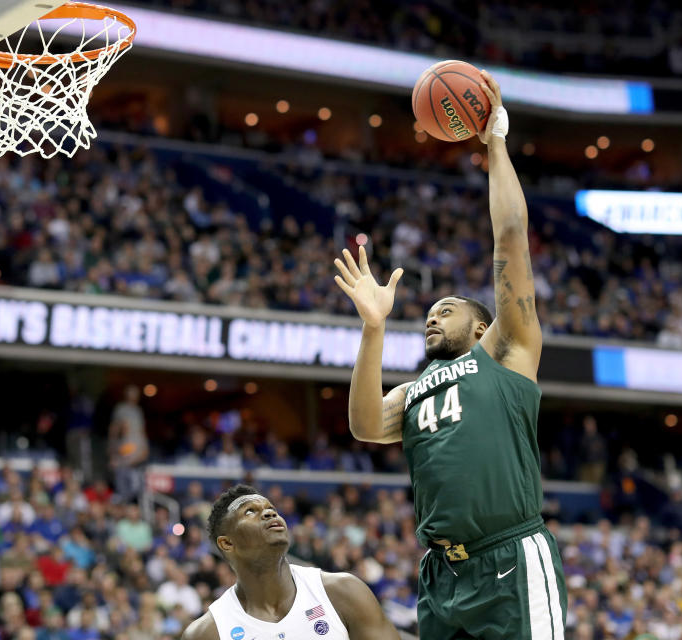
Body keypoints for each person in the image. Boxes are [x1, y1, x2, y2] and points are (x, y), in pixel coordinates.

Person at [333, 72, 567, 639]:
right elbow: (365, 425)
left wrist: (495, 144)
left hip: (511, 557)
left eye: (448, 307)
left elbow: (510, 234)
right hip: (442, 573)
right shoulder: (414, 392)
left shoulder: (506, 352)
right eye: (430, 312)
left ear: (483, 323)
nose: (433, 315)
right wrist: (373, 327)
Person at [181, 484, 400, 640]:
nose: (268, 513)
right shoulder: (208, 632)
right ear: (227, 543)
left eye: (271, 509)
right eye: (250, 512)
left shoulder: (343, 592)